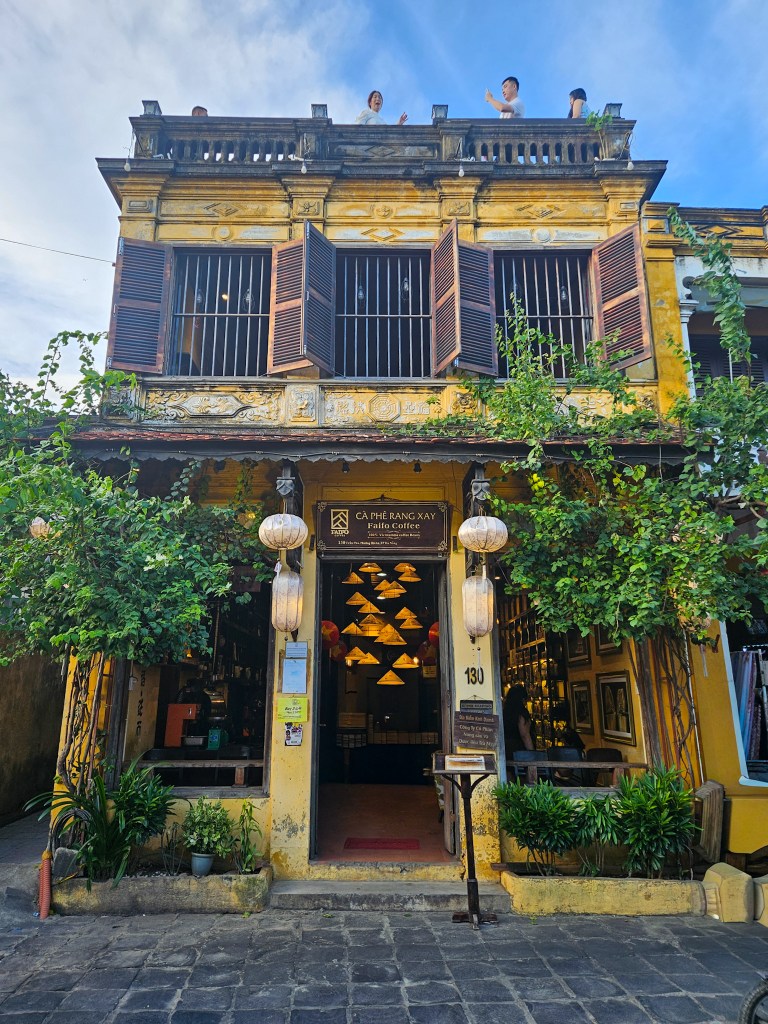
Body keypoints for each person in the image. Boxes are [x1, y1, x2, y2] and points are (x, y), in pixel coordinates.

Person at [503, 683, 534, 754]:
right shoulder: (521, 713)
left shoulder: (505, 712)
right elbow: (525, 735)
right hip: (521, 752)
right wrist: (532, 753)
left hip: (507, 751)